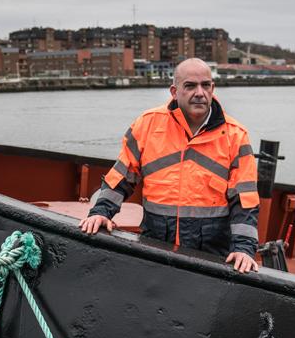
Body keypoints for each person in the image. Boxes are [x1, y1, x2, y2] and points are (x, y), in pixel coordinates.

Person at [79, 58, 260, 273]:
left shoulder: (235, 136)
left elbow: (245, 200)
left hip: (210, 257)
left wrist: (243, 249)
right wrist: (101, 212)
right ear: (174, 91)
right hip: (155, 247)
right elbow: (121, 176)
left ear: (213, 88)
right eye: (190, 86)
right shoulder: (147, 124)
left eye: (206, 85)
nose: (200, 92)